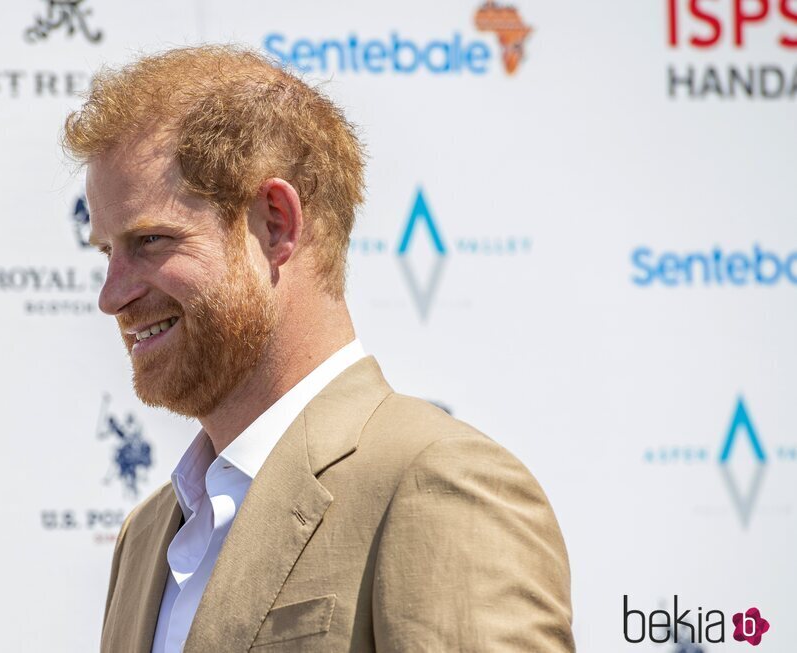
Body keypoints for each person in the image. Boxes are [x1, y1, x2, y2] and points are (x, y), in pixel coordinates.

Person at [62, 45, 574, 653]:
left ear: (276, 223)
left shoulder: (435, 481)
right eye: (105, 252)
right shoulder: (145, 537)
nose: (111, 295)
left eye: (150, 240)